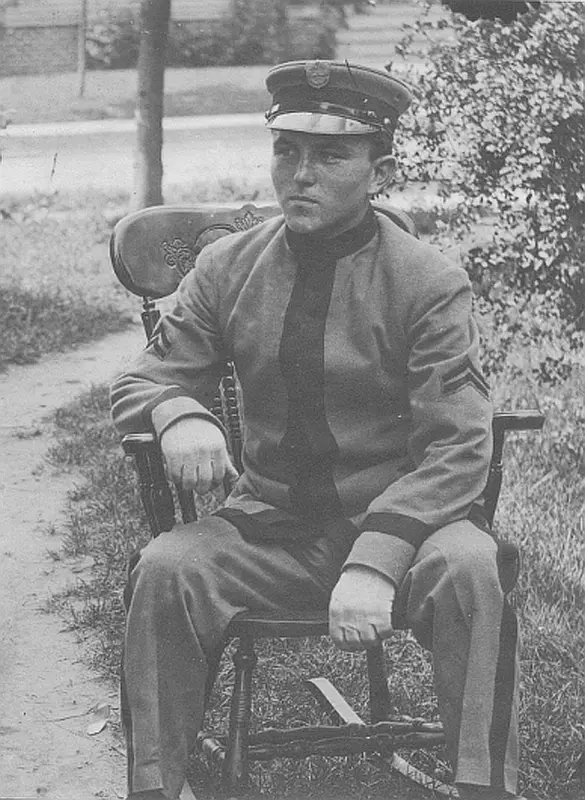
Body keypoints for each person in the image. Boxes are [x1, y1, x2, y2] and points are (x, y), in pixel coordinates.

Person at [111, 60, 521, 800]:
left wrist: (377, 558)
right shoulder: (226, 268)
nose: (299, 175)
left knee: (470, 569)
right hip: (272, 528)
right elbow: (146, 377)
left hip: (411, 527)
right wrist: (176, 413)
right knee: (167, 568)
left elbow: (459, 443)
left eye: (330, 155)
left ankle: (480, 785)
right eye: (286, 151)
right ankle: (153, 787)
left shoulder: (425, 280)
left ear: (379, 170)